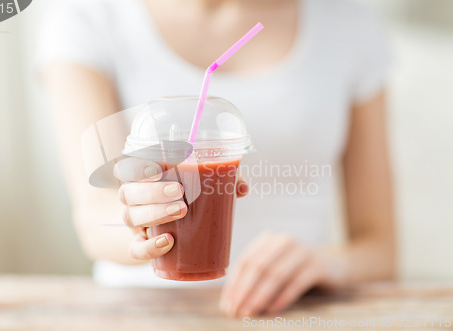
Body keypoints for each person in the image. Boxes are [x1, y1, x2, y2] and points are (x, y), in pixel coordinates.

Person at [38, 0, 395, 317]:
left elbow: (381, 249)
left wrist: (326, 263)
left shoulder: (347, 24)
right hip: (142, 313)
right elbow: (94, 218)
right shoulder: (89, 17)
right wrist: (137, 222)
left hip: (286, 311)